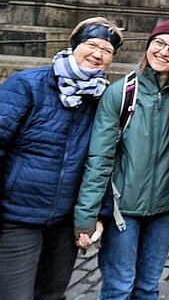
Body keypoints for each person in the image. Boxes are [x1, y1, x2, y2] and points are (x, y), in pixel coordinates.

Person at [0, 17, 123, 300]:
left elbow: (102, 162)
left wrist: (97, 216)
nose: (98, 54)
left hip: (64, 222)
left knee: (52, 294)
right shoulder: (29, 85)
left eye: (107, 50)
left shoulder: (101, 100)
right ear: (75, 45)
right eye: (91, 44)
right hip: (19, 215)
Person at [74, 20, 169, 299]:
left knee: (149, 287)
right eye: (160, 43)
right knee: (119, 287)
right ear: (149, 44)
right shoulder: (121, 92)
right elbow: (100, 158)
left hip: (164, 210)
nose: (165, 52)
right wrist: (86, 217)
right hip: (122, 210)